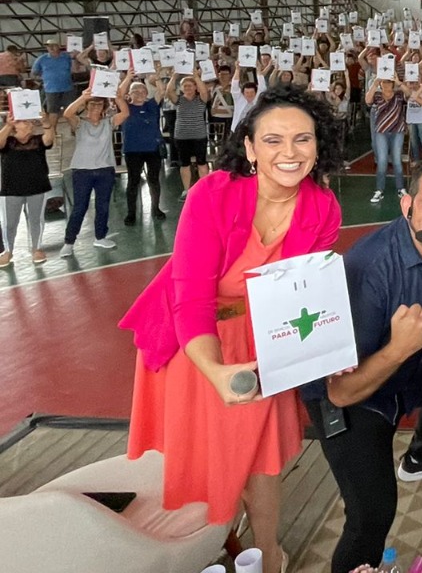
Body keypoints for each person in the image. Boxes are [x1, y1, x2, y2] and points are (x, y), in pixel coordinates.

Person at [120, 85, 345, 573]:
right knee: (209, 457)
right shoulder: (212, 195)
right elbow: (192, 298)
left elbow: (305, 293)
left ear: (318, 146)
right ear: (249, 148)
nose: (290, 153)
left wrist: (325, 348)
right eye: (273, 140)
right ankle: (220, 545)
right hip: (194, 342)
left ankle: (267, 555)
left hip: (265, 338)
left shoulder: (323, 207)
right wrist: (217, 372)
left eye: (303, 140)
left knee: (261, 456)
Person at [306, 155, 422, 573]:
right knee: (372, 512)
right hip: (350, 396)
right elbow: (340, 390)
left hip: (413, 364)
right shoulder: (370, 267)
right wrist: (397, 349)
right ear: (406, 205)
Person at [59, 85, 131, 257]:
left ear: (104, 107)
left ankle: (100, 237)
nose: (95, 107)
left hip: (105, 171)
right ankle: (69, 242)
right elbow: (68, 113)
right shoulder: (79, 123)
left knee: (103, 206)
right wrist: (83, 97)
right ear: (86, 106)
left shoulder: (109, 122)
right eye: (92, 104)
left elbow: (125, 113)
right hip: (82, 171)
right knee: (80, 207)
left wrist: (118, 96)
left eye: (99, 104)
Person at [0, 110, 56, 267]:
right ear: (15, 126)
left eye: (28, 121)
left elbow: (49, 138)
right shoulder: (8, 141)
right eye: (22, 121)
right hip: (11, 189)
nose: (27, 123)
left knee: (36, 220)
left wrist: (46, 122)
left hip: (38, 187)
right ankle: (8, 251)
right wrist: (7, 125)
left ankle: (37, 248)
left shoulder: (38, 140)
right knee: (9, 223)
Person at [121, 73, 168, 225]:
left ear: (147, 93)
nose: (140, 93)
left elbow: (161, 92)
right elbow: (119, 94)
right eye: (135, 91)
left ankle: (156, 209)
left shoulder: (152, 105)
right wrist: (128, 77)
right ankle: (131, 213)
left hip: (152, 149)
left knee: (154, 180)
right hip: (132, 150)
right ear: (130, 94)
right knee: (133, 181)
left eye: (142, 91)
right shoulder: (125, 108)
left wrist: (158, 76)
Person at [167, 72, 212, 197]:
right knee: (184, 163)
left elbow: (204, 92)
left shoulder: (201, 100)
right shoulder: (179, 100)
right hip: (182, 137)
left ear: (195, 87)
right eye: (185, 86)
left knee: (202, 163)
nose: (188, 88)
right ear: (181, 88)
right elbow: (169, 92)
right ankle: (186, 190)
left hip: (199, 136)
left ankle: (205, 188)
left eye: (190, 86)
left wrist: (196, 77)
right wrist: (174, 76)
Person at [365, 75, 409, 202]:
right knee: (382, 160)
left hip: (397, 131)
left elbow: (409, 94)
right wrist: (374, 84)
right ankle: (379, 190)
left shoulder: (399, 95)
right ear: (381, 83)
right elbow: (367, 100)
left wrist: (398, 81)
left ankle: (401, 188)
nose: (387, 84)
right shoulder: (377, 96)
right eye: (384, 82)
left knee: (396, 160)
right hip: (381, 131)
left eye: (389, 82)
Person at [30, 38, 75, 117]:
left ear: (58, 46)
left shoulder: (67, 57)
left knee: (69, 110)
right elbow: (34, 73)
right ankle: (52, 129)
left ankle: (74, 128)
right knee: (53, 111)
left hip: (67, 88)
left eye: (53, 45)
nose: (51, 48)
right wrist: (44, 79)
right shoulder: (41, 59)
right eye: (48, 46)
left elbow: (75, 68)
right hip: (51, 89)